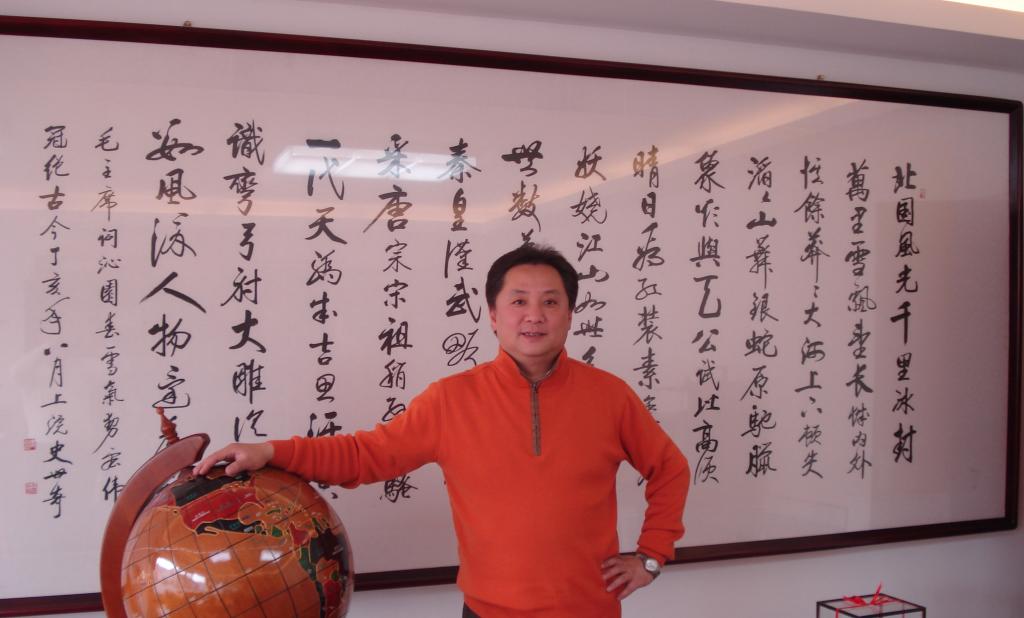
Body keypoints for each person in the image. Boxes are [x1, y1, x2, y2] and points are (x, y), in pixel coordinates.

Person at [195, 244, 690, 617]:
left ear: (569, 315)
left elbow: (669, 468)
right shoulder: (451, 399)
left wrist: (651, 557)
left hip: (590, 610)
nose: (534, 316)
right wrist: (271, 451)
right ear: (493, 315)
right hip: (487, 611)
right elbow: (366, 454)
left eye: (550, 302)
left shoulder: (609, 396)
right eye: (518, 301)